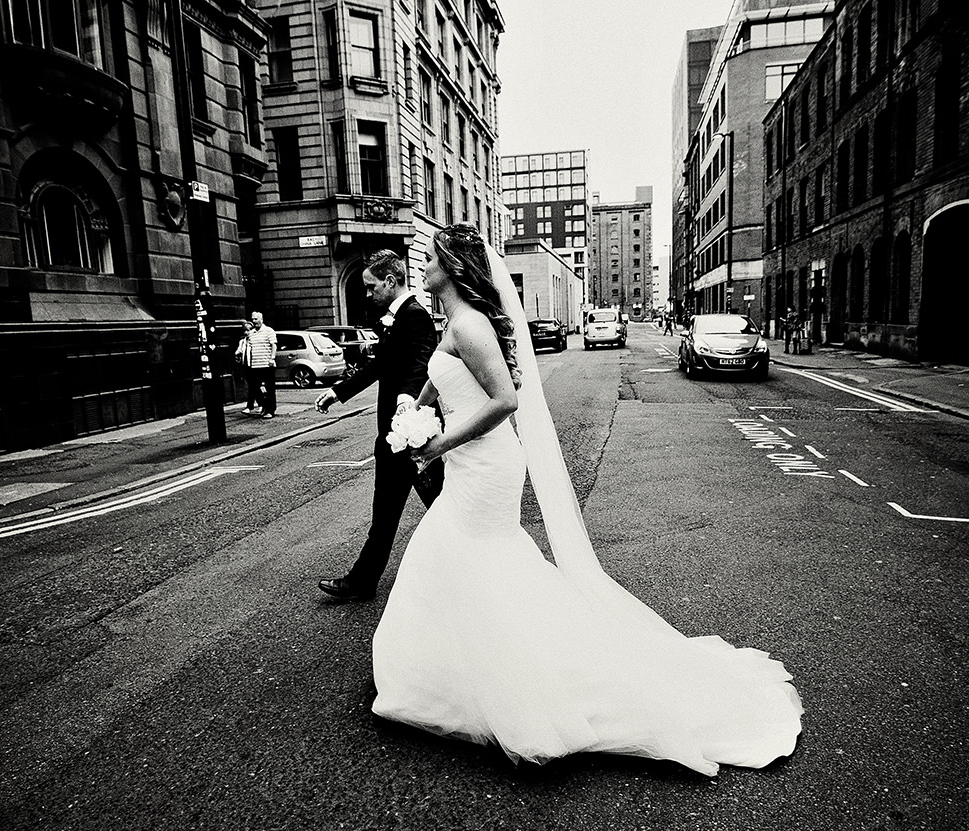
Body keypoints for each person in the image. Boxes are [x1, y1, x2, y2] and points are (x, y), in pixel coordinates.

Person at [368, 224, 803, 776]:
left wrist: (436, 444)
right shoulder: (455, 322)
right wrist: (417, 407)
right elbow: (447, 379)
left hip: (485, 464)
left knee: (470, 554)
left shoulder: (472, 324)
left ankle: (518, 680)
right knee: (464, 557)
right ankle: (449, 671)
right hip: (471, 463)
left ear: (452, 267)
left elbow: (503, 399)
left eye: (428, 259)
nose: (421, 268)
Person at [315, 249, 445, 601]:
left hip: (414, 433)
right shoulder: (394, 318)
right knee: (386, 515)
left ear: (390, 281)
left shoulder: (414, 316)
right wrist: (336, 391)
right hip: (393, 437)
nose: (368, 294)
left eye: (371, 287)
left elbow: (423, 362)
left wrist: (407, 401)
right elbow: (377, 367)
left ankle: (475, 570)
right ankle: (362, 582)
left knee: (445, 507)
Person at [246, 311, 277, 417]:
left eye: (256, 319)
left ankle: (270, 410)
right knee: (255, 387)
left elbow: (274, 345)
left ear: (261, 319)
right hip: (255, 365)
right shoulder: (251, 333)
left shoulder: (269, 331)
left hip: (267, 364)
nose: (254, 321)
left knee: (269, 389)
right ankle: (263, 406)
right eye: (253, 319)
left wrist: (272, 358)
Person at [235, 320, 258, 415]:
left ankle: (251, 406)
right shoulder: (243, 342)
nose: (246, 333)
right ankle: (255, 405)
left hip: (255, 365)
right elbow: (238, 352)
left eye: (248, 330)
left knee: (255, 386)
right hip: (246, 366)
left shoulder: (256, 341)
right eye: (245, 330)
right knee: (252, 386)